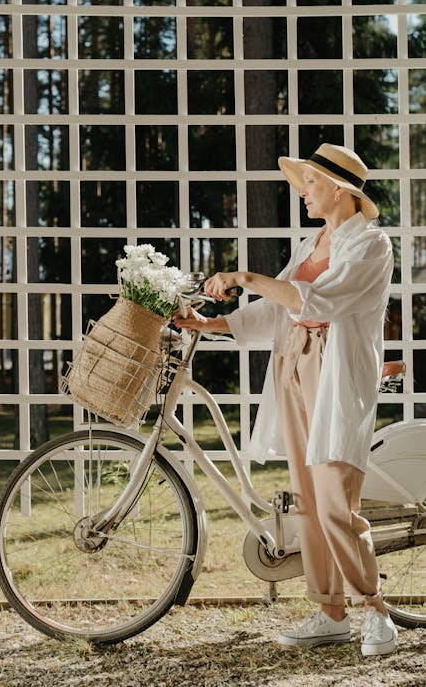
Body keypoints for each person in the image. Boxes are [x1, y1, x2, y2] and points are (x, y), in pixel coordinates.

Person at [176, 143, 398, 656]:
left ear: (339, 189)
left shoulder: (370, 244)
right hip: (293, 366)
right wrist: (213, 323)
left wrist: (247, 277)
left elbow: (317, 300)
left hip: (334, 372)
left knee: (335, 503)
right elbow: (278, 312)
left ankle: (377, 613)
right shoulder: (311, 241)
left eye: (311, 184)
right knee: (307, 501)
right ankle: (330, 612)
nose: (303, 192)